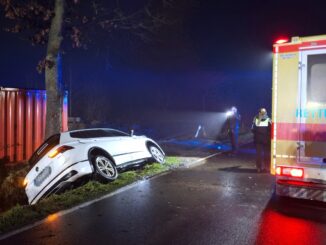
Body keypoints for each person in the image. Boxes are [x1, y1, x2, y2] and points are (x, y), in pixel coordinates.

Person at [252, 108, 271, 173]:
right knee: (266, 154)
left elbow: (252, 129)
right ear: (265, 112)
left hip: (258, 140)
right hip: (266, 140)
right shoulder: (269, 119)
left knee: (258, 154)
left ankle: (259, 168)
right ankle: (267, 167)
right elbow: (271, 129)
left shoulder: (255, 119)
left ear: (259, 113)